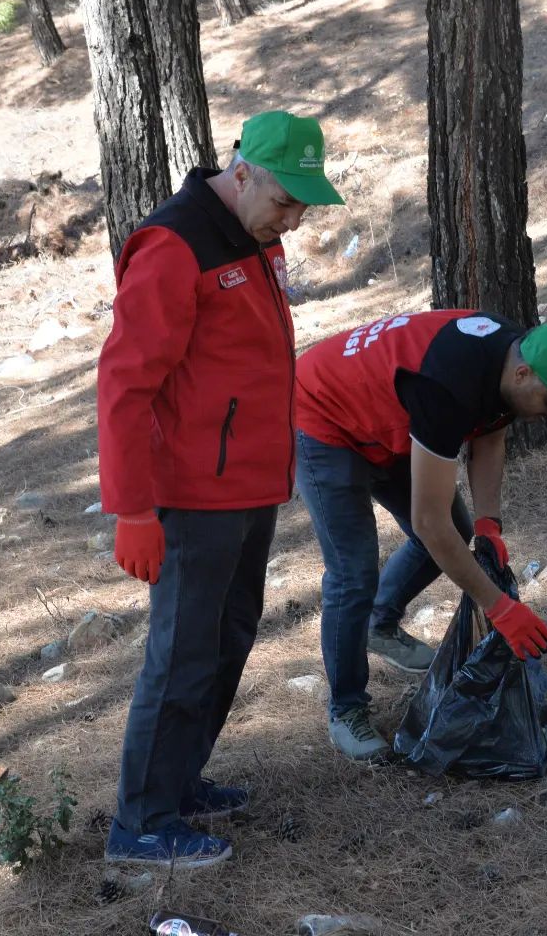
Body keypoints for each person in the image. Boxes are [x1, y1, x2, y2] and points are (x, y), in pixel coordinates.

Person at [97, 111, 344, 867]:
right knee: (181, 655)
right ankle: (140, 823)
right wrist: (133, 508)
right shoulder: (175, 246)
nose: (293, 220)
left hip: (246, 487)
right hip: (191, 497)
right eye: (284, 202)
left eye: (304, 205)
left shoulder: (252, 235)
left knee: (229, 637)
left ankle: (177, 783)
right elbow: (123, 384)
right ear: (242, 174)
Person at [294, 309, 547, 760]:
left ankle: (379, 624)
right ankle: (346, 710)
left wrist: (488, 524)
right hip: (324, 415)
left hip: (390, 415)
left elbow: (490, 434)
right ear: (522, 373)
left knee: (457, 528)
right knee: (353, 571)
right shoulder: (447, 386)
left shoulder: (510, 356)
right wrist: (499, 608)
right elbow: (427, 523)